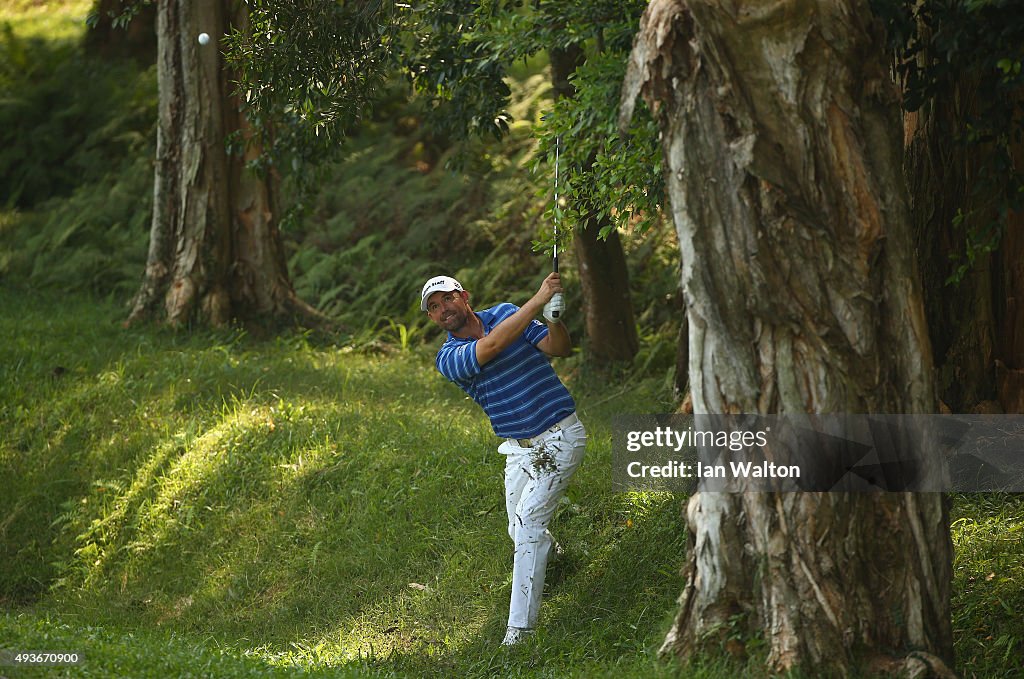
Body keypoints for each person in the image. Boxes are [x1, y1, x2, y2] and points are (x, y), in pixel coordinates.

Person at [420, 272, 587, 647]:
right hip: (518, 450)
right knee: (519, 529)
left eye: (446, 299)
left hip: (559, 435)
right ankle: (557, 559)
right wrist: (539, 299)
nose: (442, 309)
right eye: (433, 307)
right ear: (431, 319)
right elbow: (492, 346)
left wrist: (554, 320)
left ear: (464, 296)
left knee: (527, 525)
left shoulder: (507, 313)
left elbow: (558, 348)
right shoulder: (448, 358)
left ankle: (519, 634)